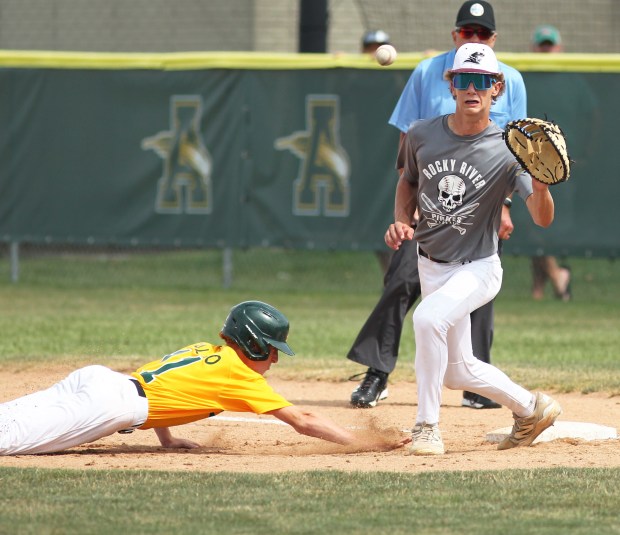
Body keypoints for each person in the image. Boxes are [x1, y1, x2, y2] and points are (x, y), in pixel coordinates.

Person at [385, 42, 562, 455]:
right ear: (451, 85)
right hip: (430, 263)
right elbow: (408, 181)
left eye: (482, 81)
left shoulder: (509, 147)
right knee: (457, 371)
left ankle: (426, 426)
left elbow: (542, 218)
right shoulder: (421, 134)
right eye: (465, 79)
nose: (473, 88)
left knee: (427, 320)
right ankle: (532, 408)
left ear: (496, 88)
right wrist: (400, 218)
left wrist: (539, 186)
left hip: (478, 267)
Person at [348, 0, 525, 410]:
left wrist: (506, 205)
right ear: (455, 35)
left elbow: (514, 149)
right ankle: (378, 372)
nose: (474, 37)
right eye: (468, 32)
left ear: (493, 40)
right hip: (430, 198)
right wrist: (404, 211)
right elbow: (408, 143)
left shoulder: (510, 79)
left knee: (470, 294)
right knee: (401, 282)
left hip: (480, 199)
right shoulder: (429, 72)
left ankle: (475, 384)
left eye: (482, 34)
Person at [0, 300, 408, 455]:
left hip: (100, 382)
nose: (274, 361)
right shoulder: (239, 376)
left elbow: (161, 391)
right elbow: (303, 421)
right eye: (270, 350)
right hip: (109, 404)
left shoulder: (207, 351)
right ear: (250, 344)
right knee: (15, 441)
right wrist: (361, 442)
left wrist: (169, 437)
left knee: (12, 416)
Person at [529, 24, 571, 302]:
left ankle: (554, 276)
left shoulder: (573, 79)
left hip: (564, 168)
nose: (546, 49)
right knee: (532, 228)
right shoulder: (526, 78)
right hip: (530, 165)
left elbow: (595, 117)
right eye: (542, 44)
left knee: (552, 227)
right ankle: (549, 281)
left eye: (550, 44)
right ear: (534, 48)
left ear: (559, 48)